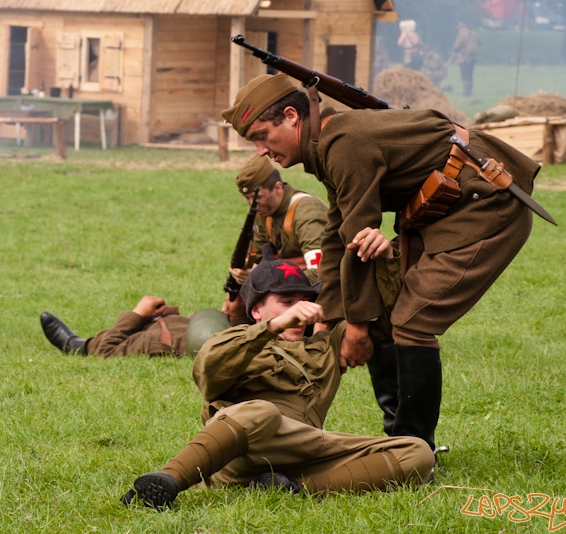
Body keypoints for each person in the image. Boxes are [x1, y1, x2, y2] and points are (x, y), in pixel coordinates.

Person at [220, 73, 541, 452]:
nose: (261, 151)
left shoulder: (342, 143)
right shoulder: (329, 143)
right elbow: (337, 235)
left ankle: (414, 448)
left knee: (412, 321)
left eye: (261, 135)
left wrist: (356, 326)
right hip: (444, 209)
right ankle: (401, 439)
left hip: (486, 205)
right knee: (390, 315)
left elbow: (360, 242)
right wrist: (327, 311)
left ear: (291, 116)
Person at [123, 242, 432, 509]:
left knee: (416, 451)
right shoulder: (237, 339)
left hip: (304, 448)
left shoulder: (327, 344)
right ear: (257, 310)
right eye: (286, 302)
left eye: (304, 300)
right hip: (243, 450)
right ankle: (168, 481)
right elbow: (209, 372)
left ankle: (292, 487)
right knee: (262, 411)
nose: (299, 310)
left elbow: (392, 316)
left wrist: (384, 258)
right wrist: (274, 326)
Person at [222, 155, 328, 324]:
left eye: (257, 197)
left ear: (278, 187)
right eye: (247, 198)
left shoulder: (307, 213)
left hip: (325, 292)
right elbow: (257, 258)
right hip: (294, 290)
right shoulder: (263, 211)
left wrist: (262, 281)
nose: (252, 204)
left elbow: (322, 272)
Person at [39, 296, 228, 357]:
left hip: (183, 338)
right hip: (199, 330)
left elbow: (108, 350)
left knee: (108, 345)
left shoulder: (158, 342)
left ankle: (81, 346)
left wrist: (137, 314)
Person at [448, 22, 480, 96]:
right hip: (474, 57)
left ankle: (466, 92)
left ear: (460, 28)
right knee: (470, 74)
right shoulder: (474, 34)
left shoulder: (462, 35)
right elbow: (480, 42)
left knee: (465, 74)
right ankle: (470, 91)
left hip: (465, 57)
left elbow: (455, 46)